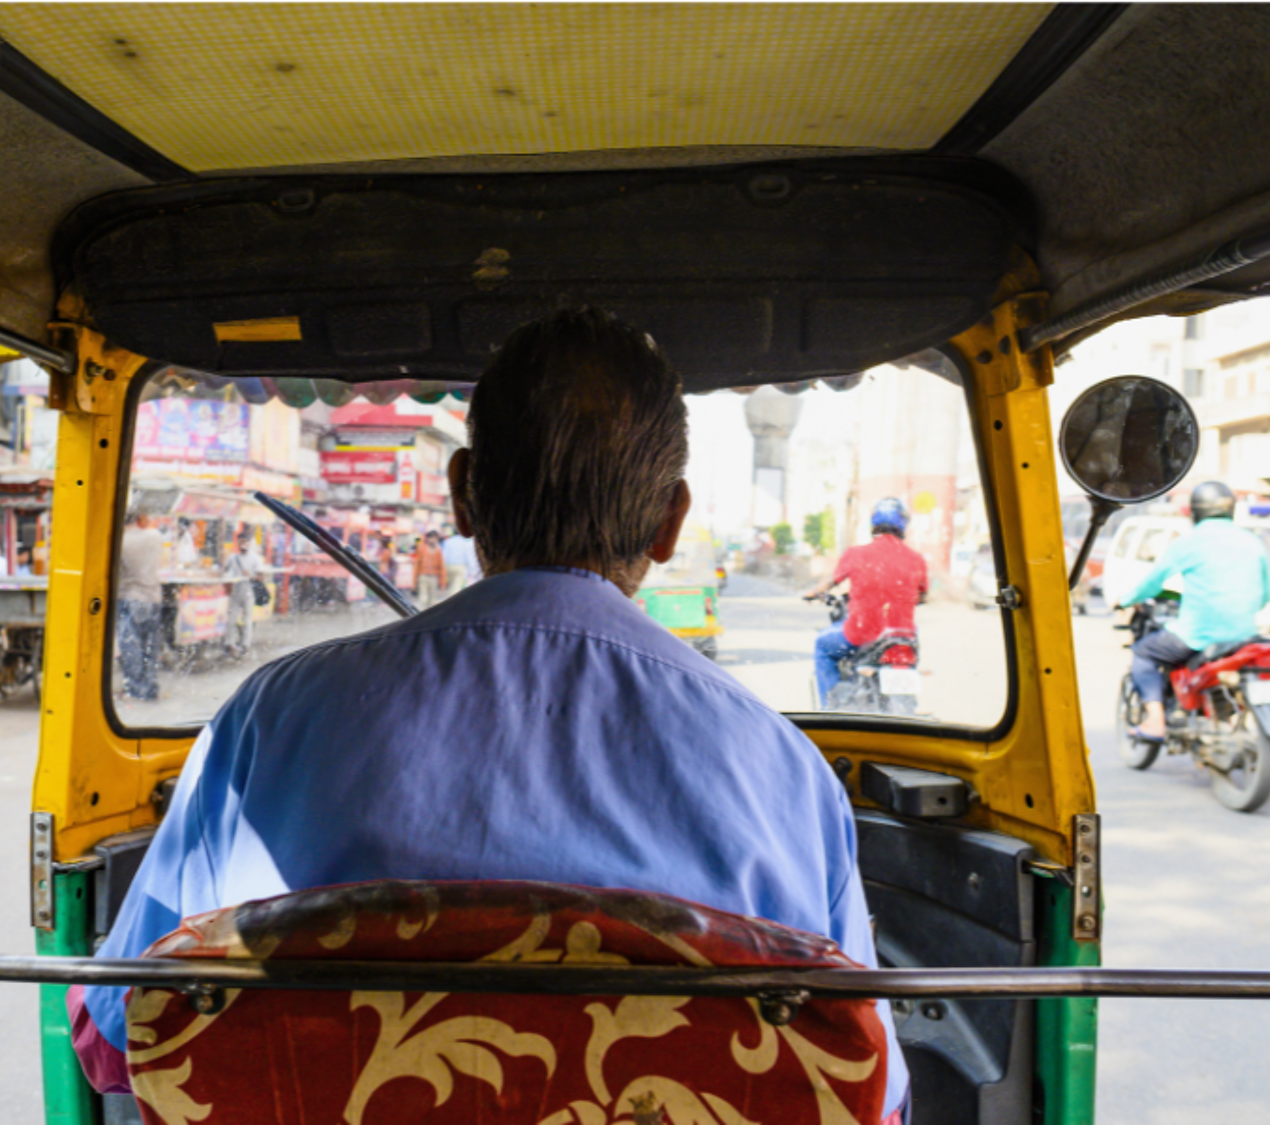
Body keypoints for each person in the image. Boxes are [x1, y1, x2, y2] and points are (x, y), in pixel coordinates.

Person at [70, 305, 910, 1121]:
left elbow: (116, 1042)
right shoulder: (783, 770)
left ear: (462, 497)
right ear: (669, 521)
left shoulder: (269, 719)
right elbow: (862, 1086)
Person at [1115, 481, 1270, 741]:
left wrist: (1125, 600)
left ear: (1195, 512)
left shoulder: (1189, 543)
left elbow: (1153, 582)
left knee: (1143, 652)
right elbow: (1265, 596)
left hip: (1198, 636)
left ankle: (1155, 721)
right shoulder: (1253, 542)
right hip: (1244, 635)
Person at [803, 498, 929, 707]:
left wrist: (814, 593)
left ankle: (829, 709)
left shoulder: (856, 554)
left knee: (823, 645)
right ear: (903, 524)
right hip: (902, 637)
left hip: (862, 634)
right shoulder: (916, 559)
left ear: (874, 523)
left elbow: (830, 582)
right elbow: (923, 595)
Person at [116, 505, 164, 701]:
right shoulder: (155, 537)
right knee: (151, 646)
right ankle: (151, 686)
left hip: (130, 598)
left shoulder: (121, 543)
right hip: (154, 598)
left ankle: (136, 688)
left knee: (131, 646)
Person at [221, 529, 264, 658]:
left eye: (245, 542)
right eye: (240, 542)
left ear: (249, 543)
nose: (243, 544)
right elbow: (224, 571)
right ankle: (229, 644)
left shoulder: (255, 558)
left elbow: (260, 576)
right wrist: (227, 584)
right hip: (235, 589)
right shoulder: (232, 558)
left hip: (248, 589)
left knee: (247, 619)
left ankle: (246, 644)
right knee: (231, 619)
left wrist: (250, 576)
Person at [413, 529, 447, 608]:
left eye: (435, 538)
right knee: (423, 599)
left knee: (432, 601)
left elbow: (442, 567)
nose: (433, 540)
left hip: (433, 577)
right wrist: (414, 582)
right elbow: (417, 565)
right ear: (427, 539)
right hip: (423, 576)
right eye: (431, 538)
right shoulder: (421, 549)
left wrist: (443, 584)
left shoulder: (438, 551)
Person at [441, 524, 477, 592]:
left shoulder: (448, 541)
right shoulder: (464, 542)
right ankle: (454, 600)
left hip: (449, 565)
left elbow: (444, 555)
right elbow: (467, 556)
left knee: (451, 584)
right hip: (460, 566)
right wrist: (470, 568)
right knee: (456, 585)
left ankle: (451, 597)